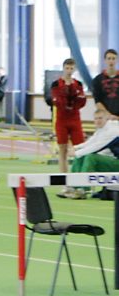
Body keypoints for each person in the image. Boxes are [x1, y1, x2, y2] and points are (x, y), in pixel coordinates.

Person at [64, 109, 119, 199]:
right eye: (96, 118)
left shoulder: (113, 131)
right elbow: (90, 142)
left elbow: (97, 146)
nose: (98, 121)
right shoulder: (102, 129)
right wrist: (75, 148)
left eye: (100, 118)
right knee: (82, 156)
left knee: (90, 157)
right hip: (113, 161)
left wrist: (76, 153)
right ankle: (73, 186)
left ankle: (83, 189)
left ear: (107, 119)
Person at [51, 58, 87, 194]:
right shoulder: (56, 84)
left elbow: (81, 102)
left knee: (80, 150)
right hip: (62, 120)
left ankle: (79, 182)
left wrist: (74, 97)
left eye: (71, 68)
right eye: (67, 68)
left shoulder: (78, 84)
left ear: (74, 69)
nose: (69, 71)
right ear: (63, 68)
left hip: (75, 119)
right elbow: (57, 101)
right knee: (63, 150)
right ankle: (64, 182)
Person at [92, 49, 119, 119]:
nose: (111, 61)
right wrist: (109, 115)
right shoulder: (97, 80)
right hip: (105, 117)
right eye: (109, 58)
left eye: (113, 58)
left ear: (117, 60)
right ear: (105, 60)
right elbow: (97, 101)